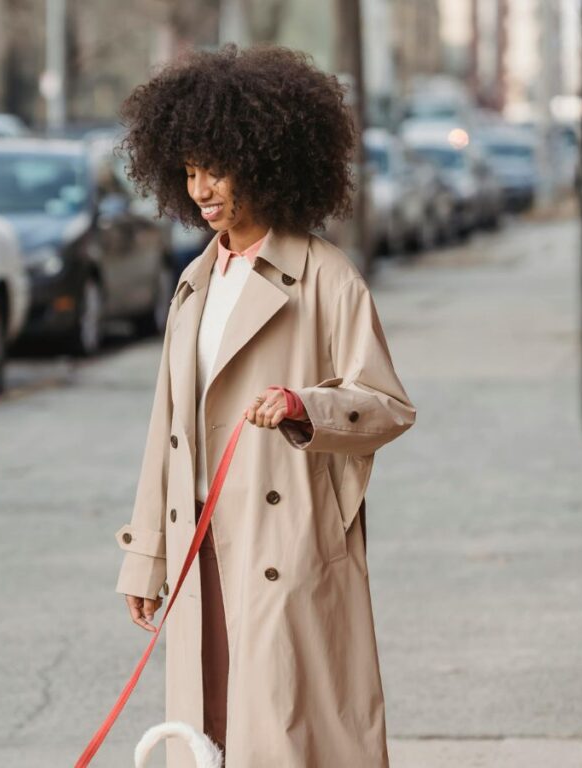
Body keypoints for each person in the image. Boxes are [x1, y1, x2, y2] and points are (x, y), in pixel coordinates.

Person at [114, 46, 416, 767]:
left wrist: (304, 406)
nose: (201, 189)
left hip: (286, 540)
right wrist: (145, 557)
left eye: (216, 168)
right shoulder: (194, 282)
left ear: (266, 161)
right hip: (200, 542)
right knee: (212, 722)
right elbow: (169, 434)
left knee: (284, 729)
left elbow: (387, 404)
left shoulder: (324, 276)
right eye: (188, 171)